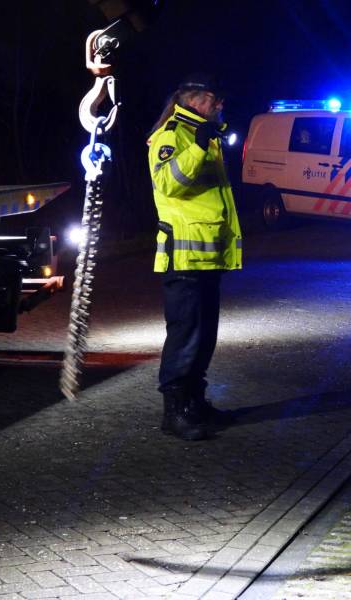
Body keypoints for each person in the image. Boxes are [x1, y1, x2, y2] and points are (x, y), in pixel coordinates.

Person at [147, 75, 242, 441]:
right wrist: (198, 148)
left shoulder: (204, 135)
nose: (220, 105)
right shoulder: (172, 135)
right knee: (185, 337)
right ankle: (174, 413)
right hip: (183, 257)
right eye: (214, 99)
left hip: (205, 256)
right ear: (194, 99)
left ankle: (195, 404)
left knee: (204, 337)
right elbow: (169, 184)